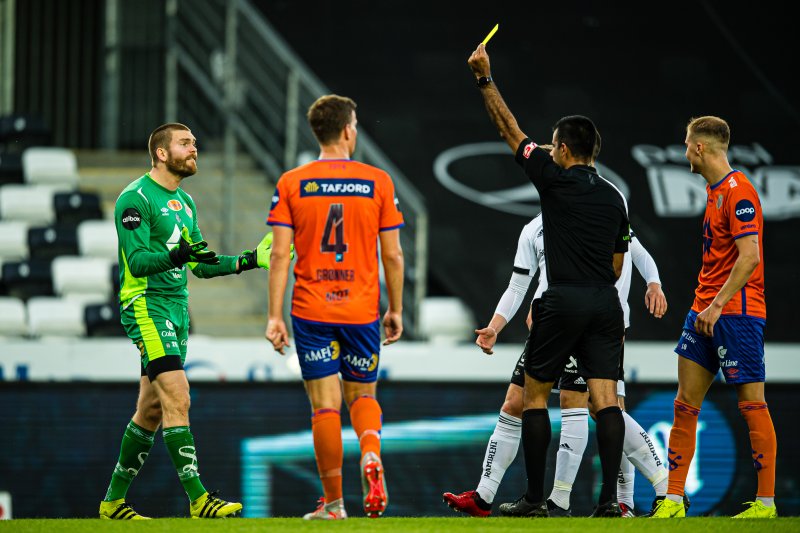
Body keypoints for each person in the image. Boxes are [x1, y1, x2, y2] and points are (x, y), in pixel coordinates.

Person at [467, 43, 629, 517]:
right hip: (605, 303)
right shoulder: (616, 197)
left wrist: (484, 79)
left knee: (535, 396)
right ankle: (609, 505)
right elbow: (619, 265)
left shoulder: (552, 180)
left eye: (552, 144)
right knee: (605, 403)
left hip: (562, 301)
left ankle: (536, 500)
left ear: (561, 150)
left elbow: (508, 130)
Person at [443, 182, 670, 518]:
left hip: (594, 323)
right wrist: (495, 325)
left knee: (596, 405)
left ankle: (653, 491)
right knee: (517, 401)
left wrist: (654, 283)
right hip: (553, 324)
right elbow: (519, 283)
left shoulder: (597, 212)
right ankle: (485, 495)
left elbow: (636, 253)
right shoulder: (534, 229)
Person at [99, 123, 272, 520]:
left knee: (151, 411)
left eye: (194, 142)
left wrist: (250, 260)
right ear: (161, 153)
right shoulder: (135, 199)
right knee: (179, 396)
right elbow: (138, 262)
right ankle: (199, 499)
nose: (194, 148)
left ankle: (112, 504)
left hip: (177, 309)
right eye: (185, 143)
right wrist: (177, 257)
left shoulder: (186, 203)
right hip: (146, 305)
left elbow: (203, 265)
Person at [265, 94, 405, 520]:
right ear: (347, 130)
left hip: (311, 310)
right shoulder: (377, 181)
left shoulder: (292, 182)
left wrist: (273, 316)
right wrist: (395, 308)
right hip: (361, 309)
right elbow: (394, 255)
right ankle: (369, 451)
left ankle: (336, 504)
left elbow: (278, 255)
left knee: (325, 406)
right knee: (362, 395)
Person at [651, 117, 775, 519]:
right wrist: (706, 305)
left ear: (700, 148)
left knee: (751, 403)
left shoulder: (740, 192)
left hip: (735, 312)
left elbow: (750, 256)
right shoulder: (714, 191)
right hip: (703, 310)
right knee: (684, 403)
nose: (685, 151)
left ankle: (766, 504)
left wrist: (718, 304)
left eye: (687, 144)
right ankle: (671, 501)